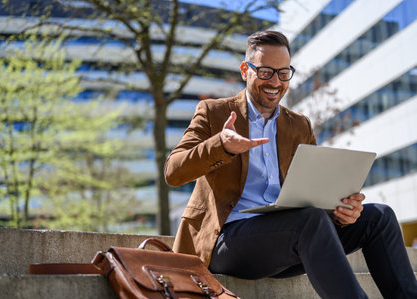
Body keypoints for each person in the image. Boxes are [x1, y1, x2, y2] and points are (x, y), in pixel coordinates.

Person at [164, 30, 417, 298]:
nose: (275, 81)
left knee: (380, 216)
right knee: (309, 221)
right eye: (265, 72)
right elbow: (173, 171)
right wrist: (221, 145)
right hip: (227, 240)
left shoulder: (299, 125)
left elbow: (315, 194)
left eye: (283, 73)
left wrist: (341, 212)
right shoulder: (213, 112)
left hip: (288, 241)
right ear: (245, 70)